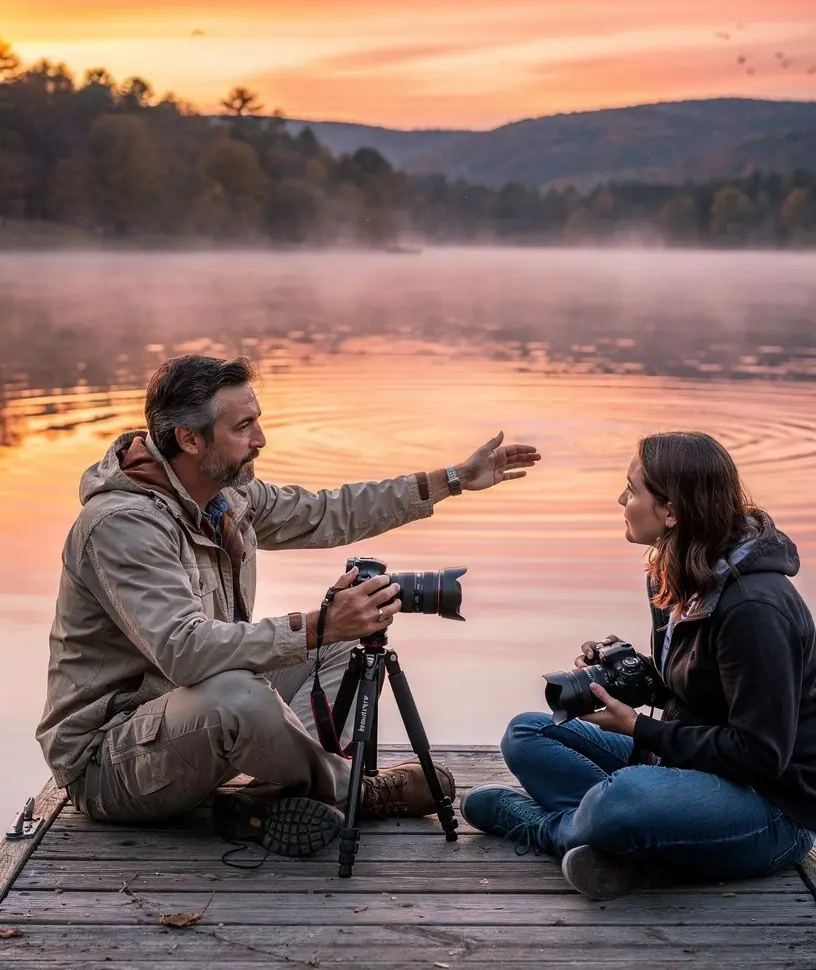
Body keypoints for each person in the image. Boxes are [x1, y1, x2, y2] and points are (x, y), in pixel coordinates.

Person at [38, 354, 540, 858]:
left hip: (186, 717)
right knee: (244, 689)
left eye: (257, 421)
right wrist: (316, 624)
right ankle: (355, 791)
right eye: (243, 427)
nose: (260, 439)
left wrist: (452, 478)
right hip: (111, 762)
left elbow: (326, 512)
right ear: (189, 439)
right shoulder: (123, 525)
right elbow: (184, 652)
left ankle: (277, 797)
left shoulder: (225, 497)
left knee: (341, 644)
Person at [461, 431, 816, 900]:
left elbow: (760, 754)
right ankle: (623, 840)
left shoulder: (754, 609)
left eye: (632, 490)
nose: (621, 499)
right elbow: (704, 689)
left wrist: (639, 730)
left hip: (770, 809)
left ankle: (553, 830)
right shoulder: (679, 572)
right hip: (692, 772)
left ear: (672, 510)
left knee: (625, 795)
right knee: (527, 733)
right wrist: (632, 678)